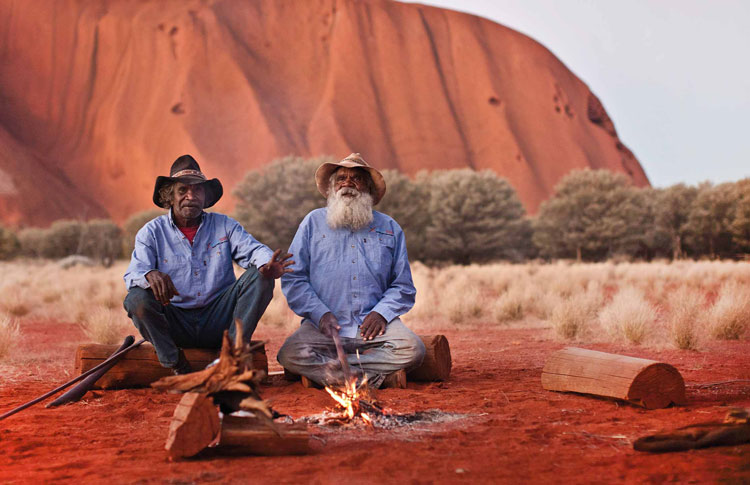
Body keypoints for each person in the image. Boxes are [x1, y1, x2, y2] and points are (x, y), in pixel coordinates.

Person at [123, 154, 293, 374]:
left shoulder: (225, 225)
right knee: (136, 298)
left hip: (219, 321)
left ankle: (231, 358)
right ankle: (176, 365)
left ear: (205, 196)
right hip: (176, 323)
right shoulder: (151, 232)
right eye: (183, 190)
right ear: (170, 196)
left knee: (262, 277)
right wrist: (149, 276)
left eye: (198, 190)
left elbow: (254, 250)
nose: (190, 196)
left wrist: (266, 264)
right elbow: (132, 275)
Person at [277, 153, 425, 388]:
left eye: (356, 178)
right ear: (332, 187)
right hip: (325, 327)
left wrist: (381, 313)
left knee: (413, 349)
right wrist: (320, 313)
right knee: (289, 354)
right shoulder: (312, 223)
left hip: (374, 329)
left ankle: (338, 373)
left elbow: (402, 285)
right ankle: (373, 376)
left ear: (368, 188)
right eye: (341, 178)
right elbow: (295, 277)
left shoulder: (389, 228)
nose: (347, 183)